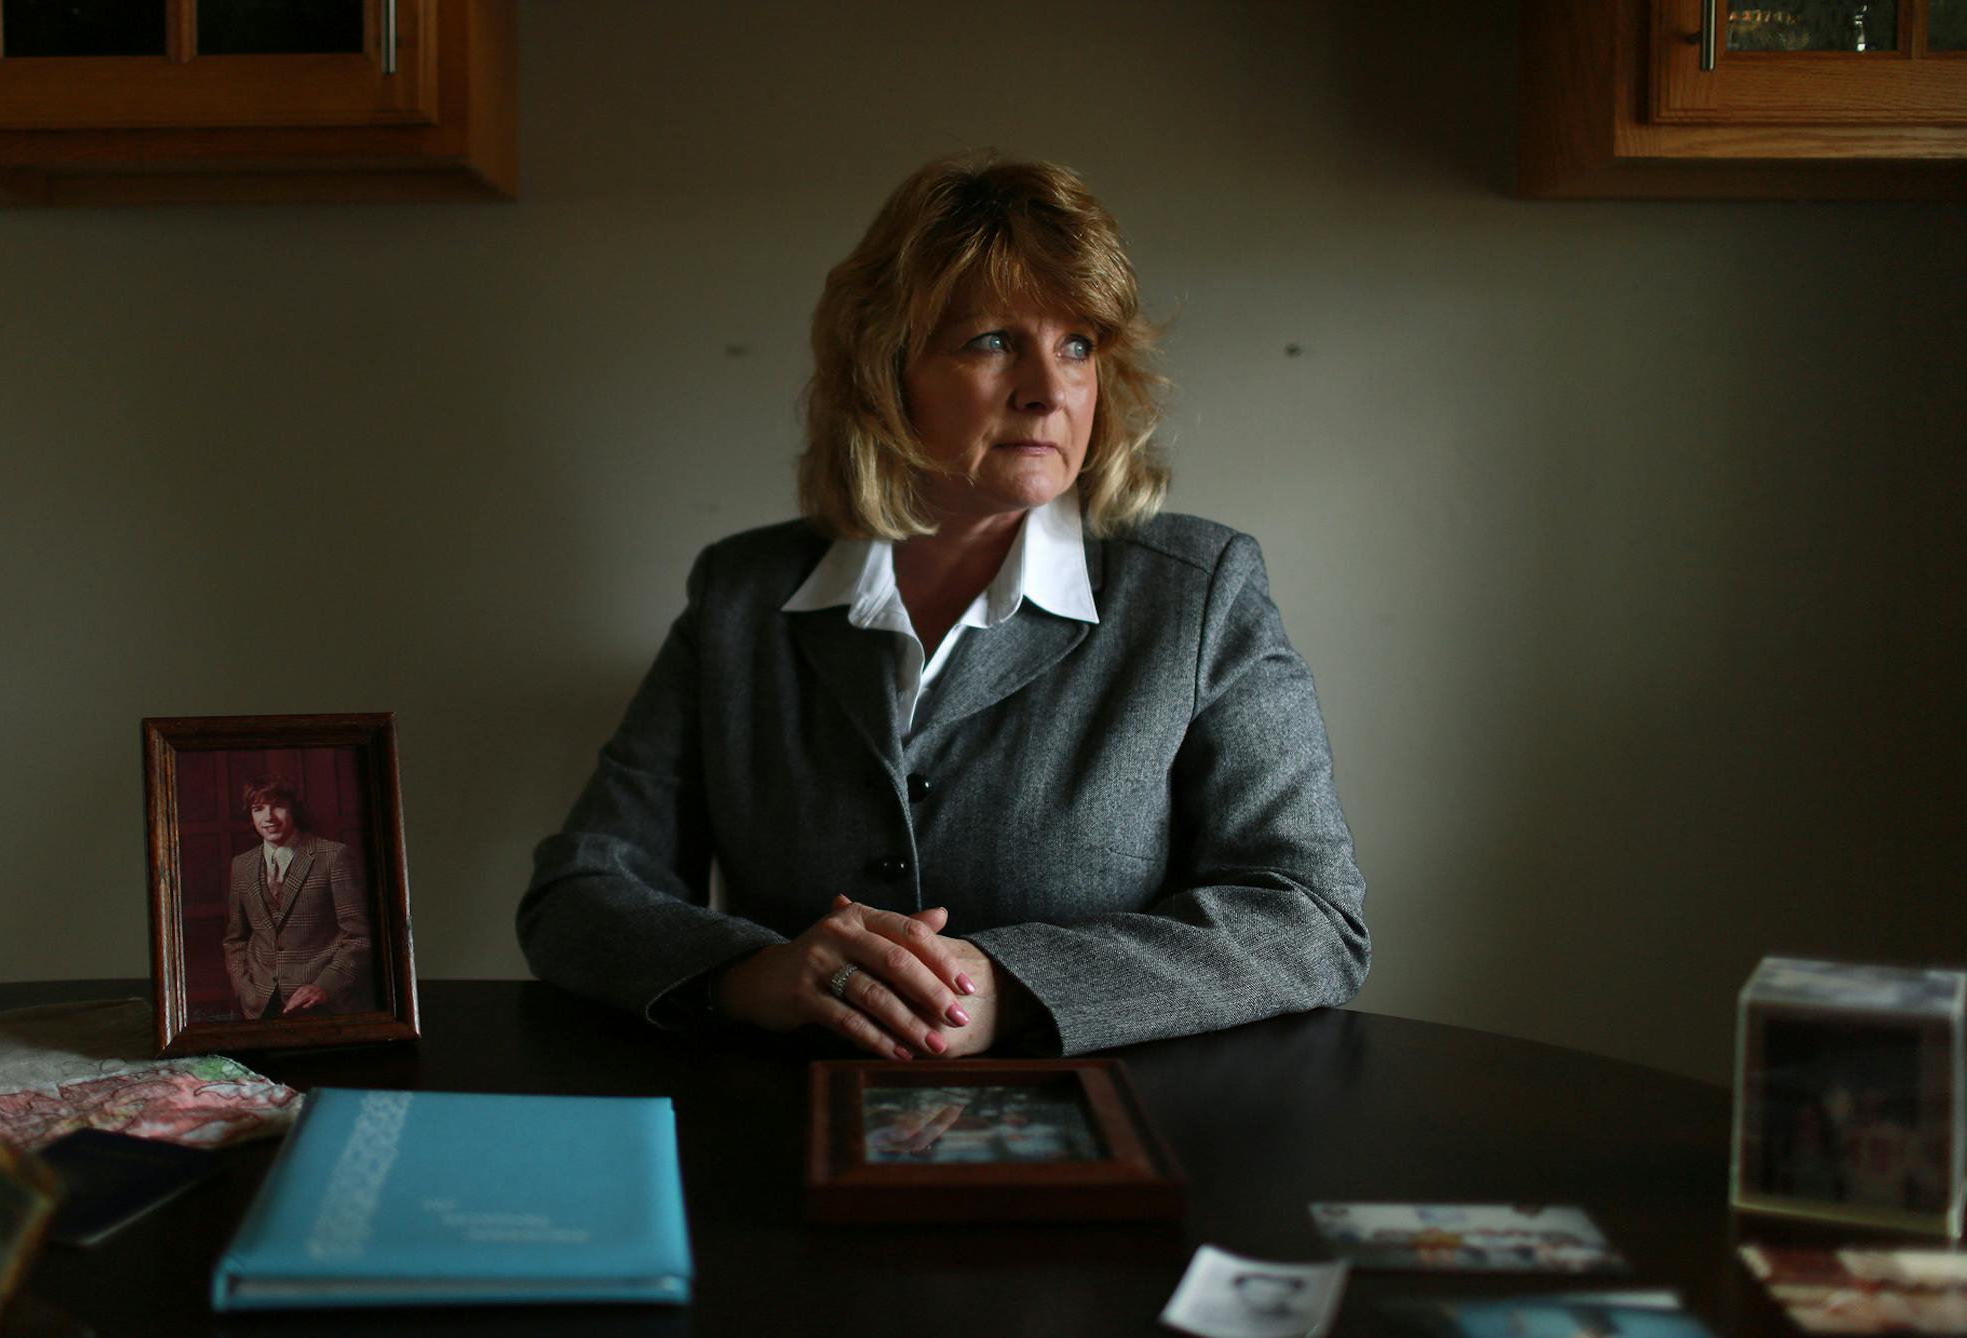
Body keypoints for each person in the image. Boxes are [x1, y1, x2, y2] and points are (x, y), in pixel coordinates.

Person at [518, 152, 1368, 1060]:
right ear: (886, 370)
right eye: (993, 340)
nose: (1049, 387)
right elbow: (580, 891)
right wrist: (754, 976)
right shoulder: (743, 593)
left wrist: (1011, 992)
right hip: (787, 1132)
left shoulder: (1197, 589)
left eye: (1077, 343)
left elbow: (1307, 916)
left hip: (1114, 1134)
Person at [221, 774, 375, 1019]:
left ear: (294, 809)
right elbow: (235, 940)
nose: (268, 818)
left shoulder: (334, 856)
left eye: (278, 807)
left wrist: (325, 986)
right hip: (260, 1007)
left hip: (323, 1006)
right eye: (258, 809)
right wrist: (245, 991)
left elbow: (359, 937)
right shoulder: (241, 865)